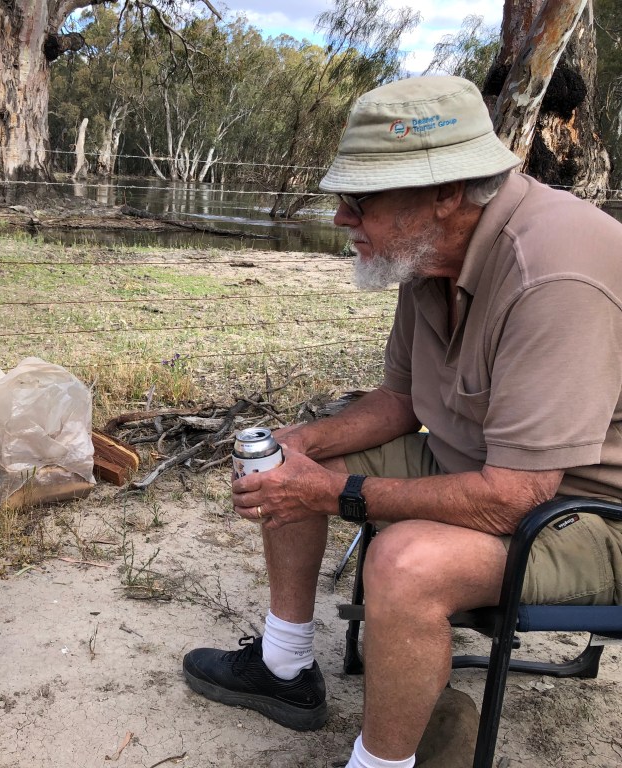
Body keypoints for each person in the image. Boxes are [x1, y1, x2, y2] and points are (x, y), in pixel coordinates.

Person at [183, 75, 622, 768]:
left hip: (587, 512)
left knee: (405, 564)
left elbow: (516, 497)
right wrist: (301, 446)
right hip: (479, 465)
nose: (340, 218)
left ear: (446, 192)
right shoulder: (430, 255)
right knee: (291, 469)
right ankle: (285, 666)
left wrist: (337, 494)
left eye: (360, 200)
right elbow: (403, 400)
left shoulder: (553, 276)